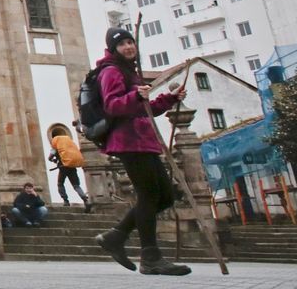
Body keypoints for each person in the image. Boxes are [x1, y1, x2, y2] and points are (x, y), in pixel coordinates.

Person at [93, 27, 192, 276]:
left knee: (166, 196)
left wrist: (168, 99)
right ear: (113, 48)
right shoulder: (111, 71)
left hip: (144, 141)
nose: (128, 47)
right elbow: (113, 106)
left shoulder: (130, 72)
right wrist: (135, 96)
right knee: (149, 196)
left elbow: (143, 108)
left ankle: (117, 235)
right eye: (123, 44)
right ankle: (150, 257)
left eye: (131, 42)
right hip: (129, 142)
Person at [48, 126, 91, 210]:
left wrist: (51, 159)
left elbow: (50, 156)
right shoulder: (69, 143)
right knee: (76, 185)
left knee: (60, 183)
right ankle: (85, 200)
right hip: (72, 166)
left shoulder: (56, 143)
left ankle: (65, 201)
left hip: (63, 167)